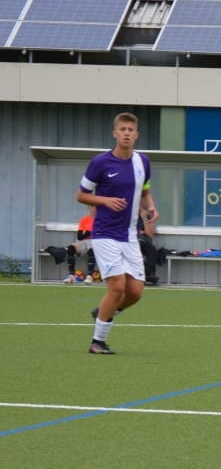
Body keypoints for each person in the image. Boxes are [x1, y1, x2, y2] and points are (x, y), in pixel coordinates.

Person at [78, 112, 156, 354]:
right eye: (122, 129)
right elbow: (81, 195)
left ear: (137, 135)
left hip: (130, 235)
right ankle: (97, 341)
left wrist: (151, 209)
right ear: (115, 133)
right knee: (118, 287)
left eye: (130, 130)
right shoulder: (100, 162)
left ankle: (104, 311)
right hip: (105, 234)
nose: (126, 133)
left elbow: (144, 191)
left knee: (135, 292)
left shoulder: (143, 162)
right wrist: (105, 200)